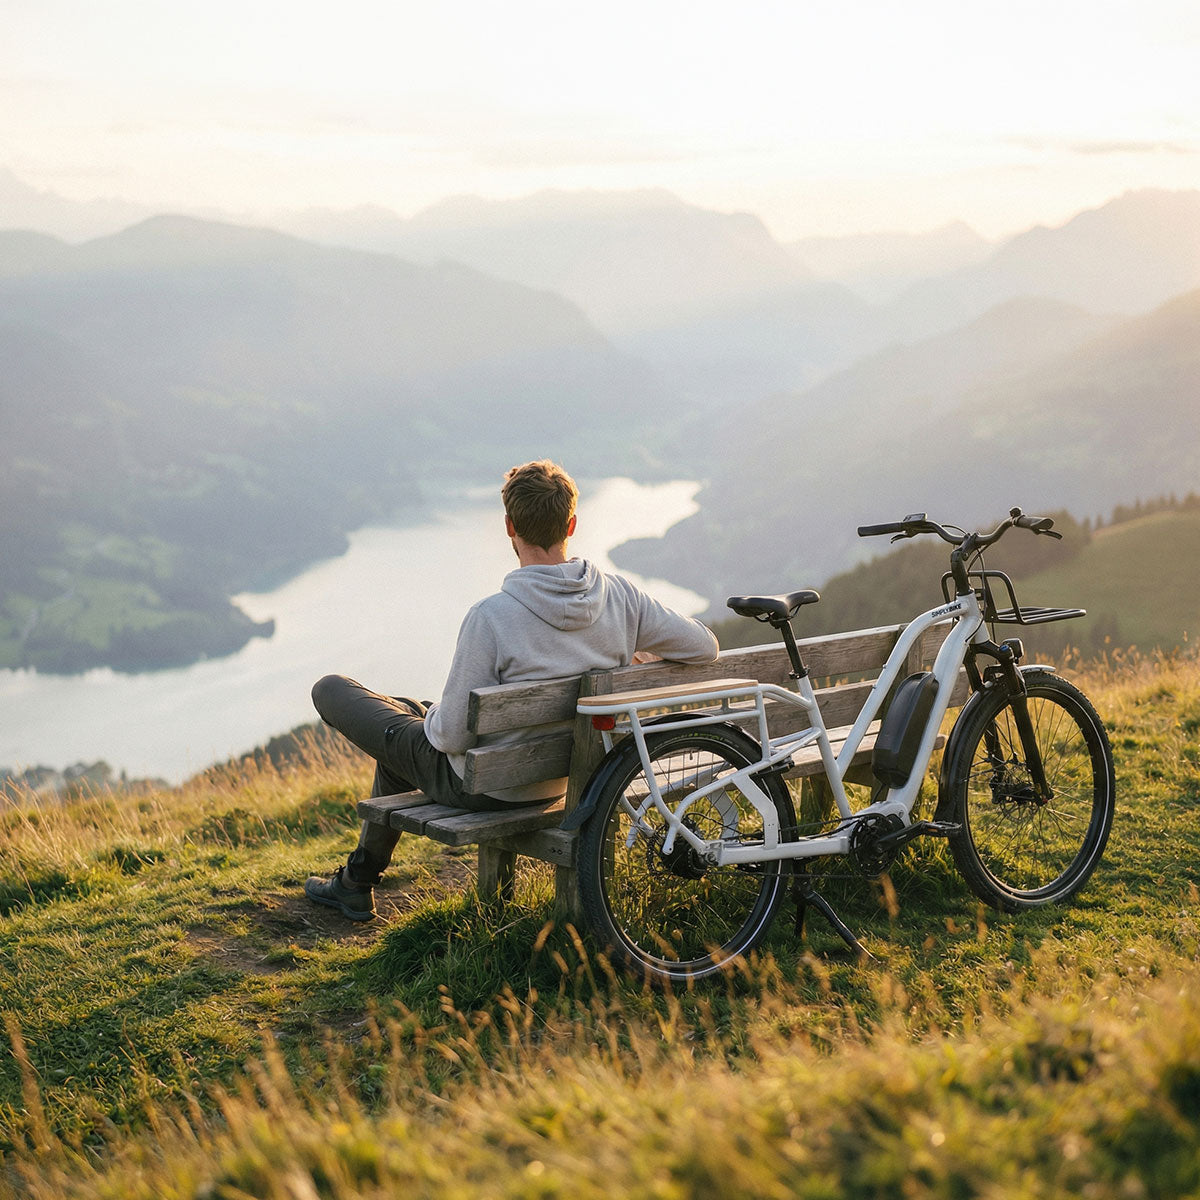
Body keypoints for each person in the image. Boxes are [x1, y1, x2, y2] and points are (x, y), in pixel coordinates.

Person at [305, 459, 720, 919]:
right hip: (571, 780)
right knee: (406, 719)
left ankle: (355, 883)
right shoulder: (622, 598)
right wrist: (639, 656)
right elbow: (705, 646)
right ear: (572, 524)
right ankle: (356, 881)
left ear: (509, 527)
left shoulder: (492, 617)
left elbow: (449, 739)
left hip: (491, 786)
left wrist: (432, 718)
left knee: (333, 690)